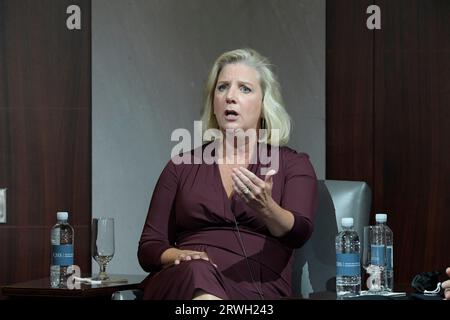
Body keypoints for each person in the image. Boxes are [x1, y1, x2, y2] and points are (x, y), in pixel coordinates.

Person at [137, 48, 317, 300]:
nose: (230, 96)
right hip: (185, 281)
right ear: (213, 103)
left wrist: (267, 208)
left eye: (244, 88)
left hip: (257, 289)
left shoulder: (293, 164)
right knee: (198, 273)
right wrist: (179, 256)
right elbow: (149, 247)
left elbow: (300, 232)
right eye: (222, 87)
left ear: (265, 104)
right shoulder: (181, 165)